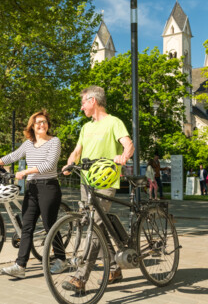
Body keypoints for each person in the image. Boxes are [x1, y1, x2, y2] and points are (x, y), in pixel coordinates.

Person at [61, 86, 134, 292]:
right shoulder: (85, 127)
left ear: (93, 101)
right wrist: (69, 164)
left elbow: (128, 144)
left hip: (105, 181)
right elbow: (77, 151)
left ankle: (80, 277)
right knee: (95, 226)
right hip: (86, 182)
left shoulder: (114, 122)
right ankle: (114, 268)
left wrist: (124, 156)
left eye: (83, 102)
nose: (81, 106)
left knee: (94, 226)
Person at [0, 109, 63, 279]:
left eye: (45, 122)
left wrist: (25, 172)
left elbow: (49, 165)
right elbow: (12, 156)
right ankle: (20, 265)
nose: (42, 124)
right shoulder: (28, 144)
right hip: (32, 188)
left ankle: (62, 260)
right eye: (38, 122)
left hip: (49, 187)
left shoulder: (54, 141)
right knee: (27, 226)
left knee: (50, 225)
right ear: (32, 126)